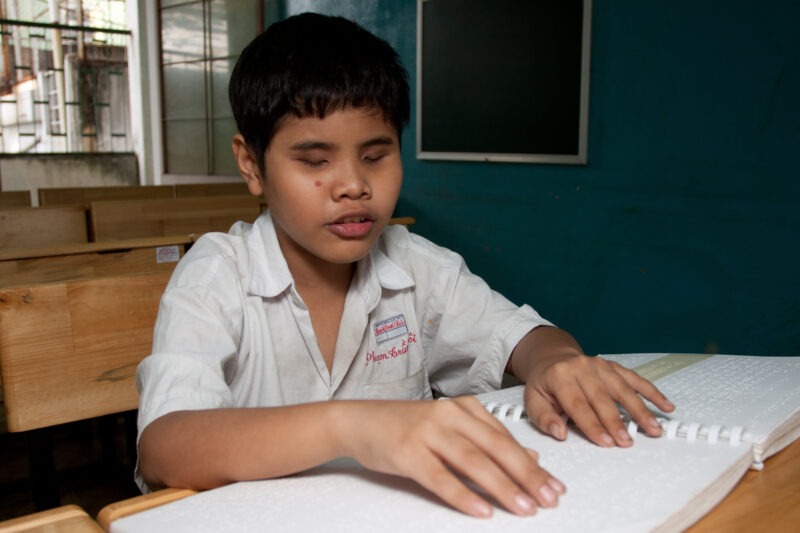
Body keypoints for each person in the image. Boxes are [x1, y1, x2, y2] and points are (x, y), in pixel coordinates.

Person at [136, 12, 674, 519]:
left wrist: (554, 361)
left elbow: (525, 337)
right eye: (314, 161)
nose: (354, 185)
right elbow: (165, 447)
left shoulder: (415, 264)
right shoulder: (216, 276)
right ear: (251, 164)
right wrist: (350, 426)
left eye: (376, 155)